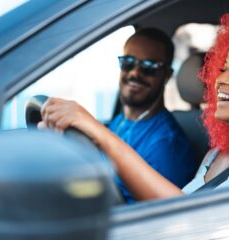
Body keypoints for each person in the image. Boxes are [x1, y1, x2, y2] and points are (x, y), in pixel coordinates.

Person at [40, 3, 229, 201]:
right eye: (223, 68)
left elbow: (192, 226)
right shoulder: (217, 153)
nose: (221, 80)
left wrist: (101, 136)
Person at [41, 28, 197, 203]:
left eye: (149, 67)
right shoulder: (122, 120)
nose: (134, 73)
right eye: (128, 62)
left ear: (166, 75)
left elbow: (156, 218)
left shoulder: (167, 147)